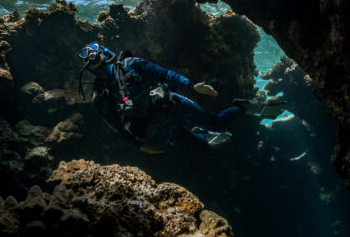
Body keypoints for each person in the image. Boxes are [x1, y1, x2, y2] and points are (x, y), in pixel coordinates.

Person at [77, 41, 285, 153]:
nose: (93, 55)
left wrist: (192, 86)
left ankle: (242, 106)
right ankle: (201, 133)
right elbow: (116, 127)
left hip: (173, 103)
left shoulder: (131, 64)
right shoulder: (100, 95)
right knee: (199, 147)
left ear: (103, 51)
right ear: (86, 65)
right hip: (156, 127)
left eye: (94, 49)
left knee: (219, 123)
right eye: (87, 55)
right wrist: (139, 146)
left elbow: (166, 74)